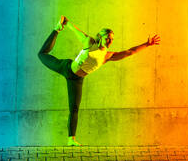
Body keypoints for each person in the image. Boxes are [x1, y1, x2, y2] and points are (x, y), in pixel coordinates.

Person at [38, 16, 160, 146]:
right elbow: (76, 31)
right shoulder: (90, 43)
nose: (110, 41)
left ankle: (71, 139)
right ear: (101, 37)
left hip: (77, 80)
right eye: (108, 38)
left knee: (74, 109)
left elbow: (129, 52)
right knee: (42, 55)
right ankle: (56, 29)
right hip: (67, 68)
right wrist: (65, 23)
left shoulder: (107, 56)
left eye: (112, 39)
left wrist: (147, 44)